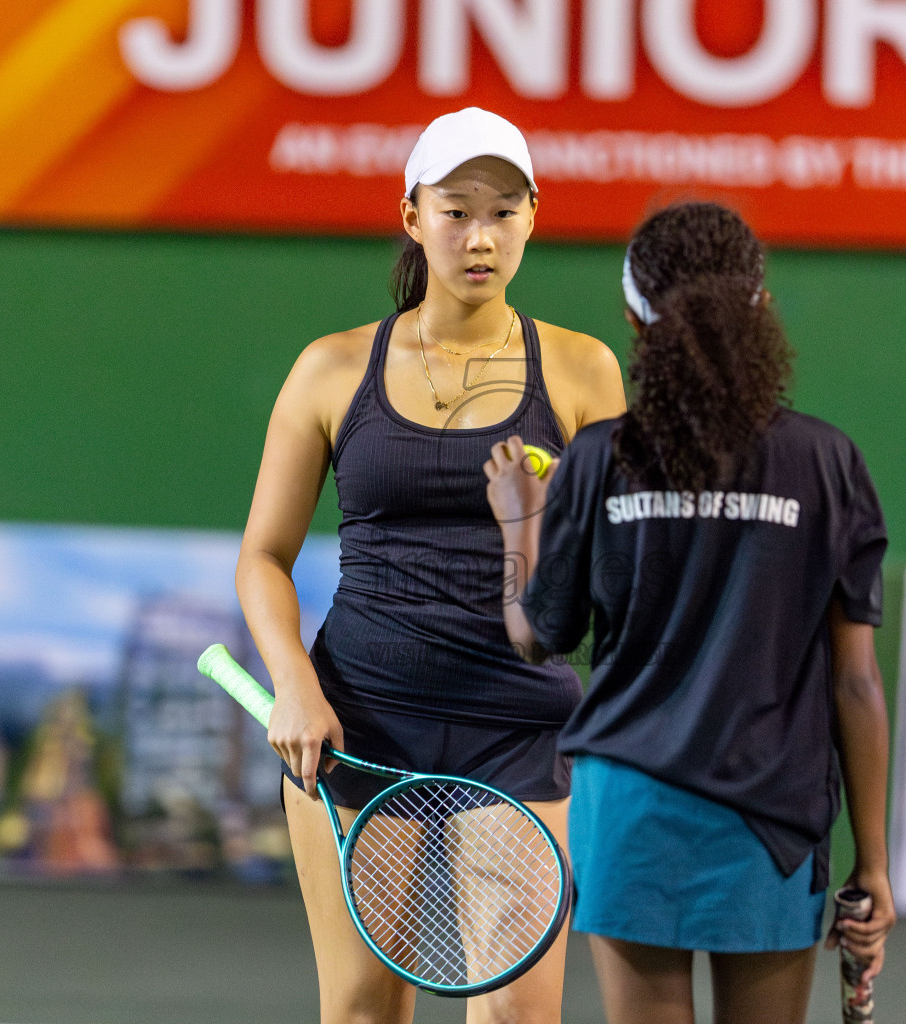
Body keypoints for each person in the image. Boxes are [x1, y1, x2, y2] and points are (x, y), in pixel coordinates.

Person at [235, 107, 626, 1024]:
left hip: (521, 726)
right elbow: (263, 555)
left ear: (535, 214)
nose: (479, 237)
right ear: (412, 217)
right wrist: (294, 682)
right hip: (360, 721)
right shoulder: (330, 370)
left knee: (516, 1018)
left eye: (501, 212)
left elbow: (621, 574)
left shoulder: (582, 371)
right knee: (366, 1007)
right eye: (455, 211)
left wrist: (544, 531)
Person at [483, 202, 895, 1024]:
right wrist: (873, 866)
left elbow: (536, 635)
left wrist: (519, 522)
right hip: (770, 821)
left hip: (631, 814)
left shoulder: (599, 459)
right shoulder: (826, 461)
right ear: (763, 309)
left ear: (635, 319)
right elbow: (855, 684)